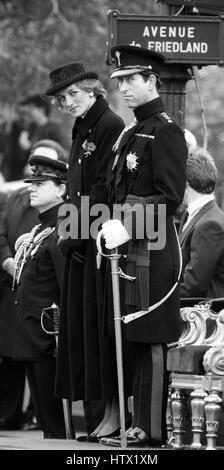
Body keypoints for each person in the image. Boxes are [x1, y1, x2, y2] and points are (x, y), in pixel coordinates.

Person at [100, 45, 187, 447]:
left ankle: (150, 429)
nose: (125, 89)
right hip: (129, 246)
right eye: (119, 82)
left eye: (132, 80)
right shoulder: (129, 132)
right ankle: (134, 421)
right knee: (131, 335)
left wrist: (126, 222)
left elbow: (170, 197)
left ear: (152, 81)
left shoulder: (165, 130)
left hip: (153, 249)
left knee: (150, 336)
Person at [44, 62, 131, 440]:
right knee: (85, 336)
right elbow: (74, 190)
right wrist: (67, 231)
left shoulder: (109, 124)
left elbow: (100, 191)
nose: (67, 103)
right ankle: (105, 415)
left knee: (101, 335)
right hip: (80, 240)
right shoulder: (83, 125)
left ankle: (115, 415)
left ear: (93, 90)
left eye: (72, 95)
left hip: (97, 243)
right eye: (61, 99)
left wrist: (75, 236)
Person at [0, 140, 67, 432]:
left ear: (62, 189)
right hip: (31, 337)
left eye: (41, 182)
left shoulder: (66, 227)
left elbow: (67, 288)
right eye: (32, 181)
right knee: (47, 426)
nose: (32, 187)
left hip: (49, 340)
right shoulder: (40, 227)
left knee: (57, 427)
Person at [179, 146, 224, 299]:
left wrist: (161, 300)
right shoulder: (191, 214)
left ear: (185, 182)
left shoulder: (210, 224)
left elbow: (194, 284)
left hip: (203, 316)